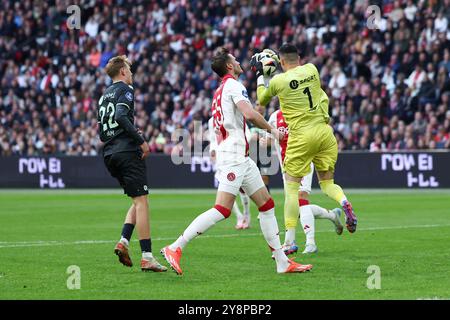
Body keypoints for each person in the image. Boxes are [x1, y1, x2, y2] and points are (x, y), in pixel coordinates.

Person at [160, 47, 313, 275]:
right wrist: (273, 130)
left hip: (238, 155)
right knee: (222, 209)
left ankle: (282, 262)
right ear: (230, 66)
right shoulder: (233, 86)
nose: (240, 62)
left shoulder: (221, 90)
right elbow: (250, 114)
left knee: (267, 205)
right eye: (235, 59)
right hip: (233, 156)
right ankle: (175, 247)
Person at [253, 44, 358, 241]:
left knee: (292, 189)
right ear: (298, 58)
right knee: (328, 184)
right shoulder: (312, 69)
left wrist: (261, 74)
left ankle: (290, 241)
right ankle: (343, 201)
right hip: (325, 133)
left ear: (282, 62)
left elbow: (261, 100)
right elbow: (322, 97)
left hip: (301, 136)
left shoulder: (278, 80)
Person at [98, 55, 167, 272]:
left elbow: (102, 131)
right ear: (122, 72)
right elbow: (120, 115)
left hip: (109, 152)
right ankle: (147, 256)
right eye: (129, 69)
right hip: (126, 150)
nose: (131, 73)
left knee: (137, 199)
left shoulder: (102, 97)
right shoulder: (125, 90)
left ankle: (124, 241)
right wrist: (141, 141)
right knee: (143, 202)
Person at [265, 109, 343, 255]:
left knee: (301, 200)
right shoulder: (275, 117)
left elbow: (325, 124)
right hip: (286, 168)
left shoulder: (302, 110)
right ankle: (332, 215)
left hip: (303, 162)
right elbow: (271, 138)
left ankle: (309, 242)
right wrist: (265, 141)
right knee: (296, 207)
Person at [208, 116, 251, 229]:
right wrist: (212, 150)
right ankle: (239, 217)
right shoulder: (211, 121)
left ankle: (246, 214)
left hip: (237, 157)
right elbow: (213, 140)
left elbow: (248, 134)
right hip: (221, 159)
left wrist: (240, 148)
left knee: (242, 189)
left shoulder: (235, 115)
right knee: (225, 189)